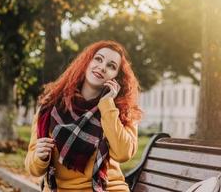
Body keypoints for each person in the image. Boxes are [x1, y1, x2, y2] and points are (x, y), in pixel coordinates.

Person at [25, 40, 142, 192]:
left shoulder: (121, 110)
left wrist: (107, 104)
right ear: (87, 61)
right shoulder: (50, 106)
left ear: (116, 78)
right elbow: (33, 169)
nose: (102, 67)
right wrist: (39, 157)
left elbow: (123, 154)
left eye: (111, 66)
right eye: (98, 59)